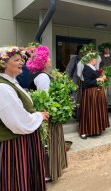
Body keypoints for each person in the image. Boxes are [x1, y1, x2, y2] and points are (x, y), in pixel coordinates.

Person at [0, 46, 49, 191]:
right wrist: (39, 116)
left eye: (21, 59)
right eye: (16, 60)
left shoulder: (12, 82)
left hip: (21, 139)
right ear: (3, 64)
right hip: (14, 143)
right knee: (16, 179)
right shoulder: (3, 88)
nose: (21, 62)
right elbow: (18, 122)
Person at [27, 45, 67, 182]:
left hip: (46, 115)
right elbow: (46, 100)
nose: (50, 59)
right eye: (48, 57)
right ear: (43, 61)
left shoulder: (41, 75)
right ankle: (48, 172)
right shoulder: (43, 77)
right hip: (47, 116)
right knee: (48, 143)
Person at [79, 51, 110, 139]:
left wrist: (102, 77)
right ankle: (84, 131)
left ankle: (95, 129)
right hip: (90, 94)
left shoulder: (93, 67)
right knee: (89, 112)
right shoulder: (86, 68)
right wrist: (99, 79)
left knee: (95, 112)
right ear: (90, 59)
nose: (96, 60)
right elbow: (87, 83)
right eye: (95, 58)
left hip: (96, 93)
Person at [98, 42, 111, 113]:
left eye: (108, 49)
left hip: (110, 75)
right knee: (103, 90)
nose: (106, 50)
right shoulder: (100, 56)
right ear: (103, 49)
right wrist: (100, 74)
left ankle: (110, 106)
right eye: (105, 49)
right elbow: (98, 66)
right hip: (102, 75)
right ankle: (102, 105)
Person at [66, 44, 83, 120]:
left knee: (82, 96)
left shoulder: (86, 59)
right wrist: (68, 80)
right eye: (81, 50)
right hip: (76, 80)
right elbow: (69, 70)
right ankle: (75, 112)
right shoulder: (75, 59)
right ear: (78, 51)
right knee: (75, 96)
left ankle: (81, 113)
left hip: (83, 80)